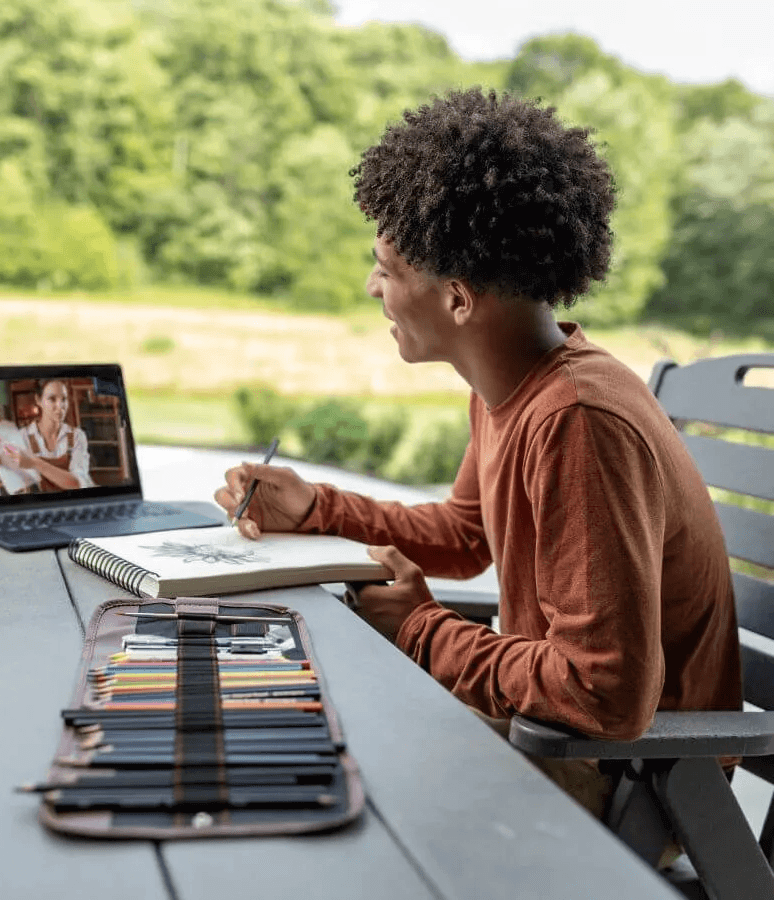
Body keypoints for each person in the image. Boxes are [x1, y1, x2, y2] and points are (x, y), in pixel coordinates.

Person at [214, 88, 742, 827]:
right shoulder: (515, 385)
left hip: (625, 778)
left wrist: (421, 631)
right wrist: (316, 509)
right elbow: (468, 534)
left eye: (387, 270)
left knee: (304, 768)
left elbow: (604, 692)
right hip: (552, 735)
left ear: (458, 300)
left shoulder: (578, 420)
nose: (374, 289)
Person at [0, 379, 94, 491]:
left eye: (64, 399)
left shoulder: (77, 436)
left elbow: (77, 483)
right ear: (38, 400)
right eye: (52, 399)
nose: (60, 406)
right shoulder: (23, 436)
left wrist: (35, 463)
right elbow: (6, 461)